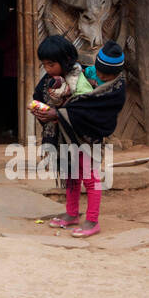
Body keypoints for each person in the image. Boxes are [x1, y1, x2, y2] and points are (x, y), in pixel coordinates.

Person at [33, 40, 127, 238]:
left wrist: (58, 114)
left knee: (90, 178)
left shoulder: (115, 88)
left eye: (106, 75)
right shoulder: (81, 73)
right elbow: (63, 100)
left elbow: (90, 109)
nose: (101, 77)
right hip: (68, 138)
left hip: (88, 138)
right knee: (71, 174)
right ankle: (71, 213)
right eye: (45, 65)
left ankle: (92, 221)